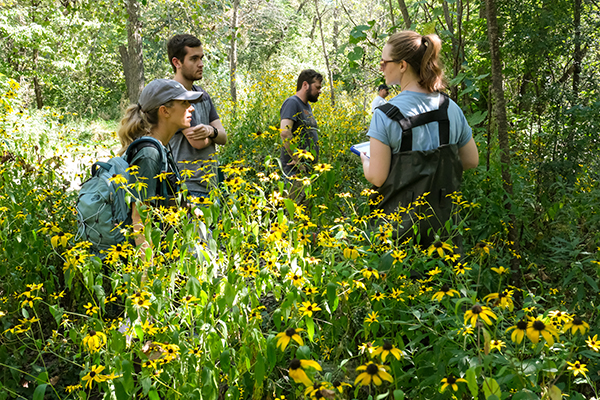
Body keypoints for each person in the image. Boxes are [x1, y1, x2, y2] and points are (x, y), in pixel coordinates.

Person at [360, 31, 479, 247]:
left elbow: (377, 178)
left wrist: (365, 159)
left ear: (403, 65)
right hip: (444, 236)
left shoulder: (384, 114)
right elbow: (471, 160)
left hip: (397, 238)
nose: (381, 67)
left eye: (384, 62)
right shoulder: (450, 108)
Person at [117, 79, 201, 253]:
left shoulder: (161, 148)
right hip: (151, 263)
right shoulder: (149, 154)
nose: (191, 107)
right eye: (184, 103)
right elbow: (139, 219)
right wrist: (147, 274)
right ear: (165, 111)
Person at [167, 34, 227, 200]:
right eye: (194, 59)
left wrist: (210, 131)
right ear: (176, 62)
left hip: (211, 185)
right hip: (188, 188)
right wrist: (213, 132)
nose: (201, 64)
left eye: (201, 58)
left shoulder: (202, 94)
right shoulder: (173, 97)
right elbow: (198, 142)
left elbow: (223, 137)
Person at [279, 69, 323, 202]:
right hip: (294, 171)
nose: (320, 91)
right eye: (317, 87)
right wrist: (297, 159)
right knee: (294, 213)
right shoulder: (292, 103)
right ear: (305, 85)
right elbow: (285, 132)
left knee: (304, 214)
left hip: (306, 171)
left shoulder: (307, 106)